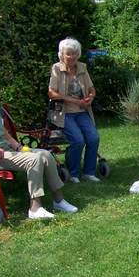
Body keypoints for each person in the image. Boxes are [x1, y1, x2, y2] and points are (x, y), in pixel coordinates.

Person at [0, 75, 78, 219]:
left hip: (7, 152)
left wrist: (17, 147)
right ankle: (35, 208)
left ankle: (59, 200)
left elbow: (5, 134)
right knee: (34, 160)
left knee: (46, 155)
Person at [48, 38, 100, 184]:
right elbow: (52, 93)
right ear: (62, 55)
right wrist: (75, 101)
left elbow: (91, 89)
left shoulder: (82, 68)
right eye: (68, 54)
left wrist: (89, 98)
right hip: (64, 112)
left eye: (74, 54)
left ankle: (89, 172)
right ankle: (73, 173)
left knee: (93, 138)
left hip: (82, 111)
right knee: (77, 140)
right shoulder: (57, 68)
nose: (72, 57)